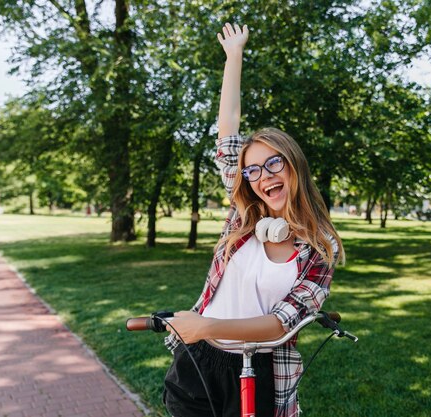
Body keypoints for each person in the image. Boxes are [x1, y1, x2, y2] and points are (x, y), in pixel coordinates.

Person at [162, 23, 344, 417]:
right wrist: (234, 56)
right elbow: (227, 133)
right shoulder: (244, 214)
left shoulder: (320, 248)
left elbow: (280, 324)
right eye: (253, 170)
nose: (265, 177)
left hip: (260, 371)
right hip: (199, 361)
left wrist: (206, 326)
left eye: (274, 163)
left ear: (293, 164)